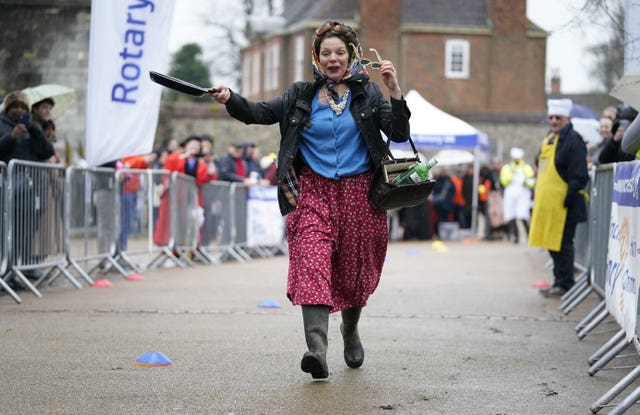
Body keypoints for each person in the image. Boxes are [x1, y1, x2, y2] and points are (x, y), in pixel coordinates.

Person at [208, 20, 410, 379]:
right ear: (317, 58)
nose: (333, 59)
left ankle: (350, 330)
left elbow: (397, 133)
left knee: (353, 271)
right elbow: (259, 113)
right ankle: (317, 349)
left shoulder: (367, 93)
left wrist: (394, 90)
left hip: (360, 194)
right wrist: (231, 99)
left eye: (340, 53)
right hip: (312, 192)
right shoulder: (300, 95)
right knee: (311, 262)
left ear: (352, 56)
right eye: (326, 53)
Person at [529, 99, 589, 297]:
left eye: (558, 118)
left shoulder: (574, 140)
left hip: (565, 205)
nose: (553, 121)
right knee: (551, 244)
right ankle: (559, 281)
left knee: (563, 244)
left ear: (567, 119)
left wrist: (568, 197)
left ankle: (565, 284)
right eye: (551, 117)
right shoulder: (549, 139)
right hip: (548, 205)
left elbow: (579, 174)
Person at [0, 91, 55, 280]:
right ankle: (4, 272)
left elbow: (47, 152)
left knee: (25, 231)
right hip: (5, 190)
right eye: (15, 107)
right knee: (5, 232)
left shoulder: (32, 127)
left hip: (29, 190)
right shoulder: (1, 124)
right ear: (7, 108)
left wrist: (35, 130)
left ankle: (16, 271)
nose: (18, 111)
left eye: (22, 107)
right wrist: (11, 138)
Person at [153, 135, 217, 247]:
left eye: (197, 146)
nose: (194, 147)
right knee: (171, 224)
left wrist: (210, 162)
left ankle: (189, 249)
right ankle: (170, 248)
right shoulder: (176, 157)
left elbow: (206, 178)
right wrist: (184, 157)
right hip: (175, 197)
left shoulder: (199, 163)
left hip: (191, 198)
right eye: (192, 144)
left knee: (191, 224)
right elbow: (170, 169)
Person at [500, 147, 535, 244]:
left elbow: (531, 181)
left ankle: (529, 235)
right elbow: (504, 181)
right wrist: (511, 174)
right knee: (511, 215)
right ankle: (515, 236)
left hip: (522, 193)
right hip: (510, 193)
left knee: (523, 215)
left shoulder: (526, 168)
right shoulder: (507, 168)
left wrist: (526, 182)